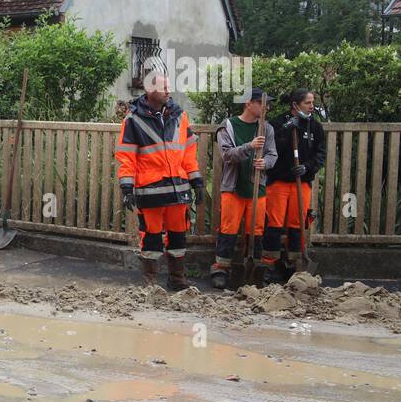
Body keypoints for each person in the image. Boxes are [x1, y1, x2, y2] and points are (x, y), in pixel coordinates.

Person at [115, 70, 203, 291]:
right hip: (151, 190)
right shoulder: (133, 119)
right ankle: (151, 282)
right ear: (149, 90)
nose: (168, 91)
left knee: (178, 237)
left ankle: (176, 278)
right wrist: (127, 187)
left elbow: (189, 152)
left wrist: (197, 181)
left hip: (177, 189)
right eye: (163, 88)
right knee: (151, 238)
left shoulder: (180, 116)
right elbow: (127, 155)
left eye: (167, 87)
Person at [211, 87, 278, 289]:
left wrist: (264, 163)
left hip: (258, 187)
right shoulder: (228, 126)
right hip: (233, 187)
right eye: (263, 103)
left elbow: (272, 154)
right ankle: (221, 268)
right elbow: (227, 155)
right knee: (228, 229)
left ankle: (256, 269)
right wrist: (249, 146)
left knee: (256, 230)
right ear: (249, 103)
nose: (267, 107)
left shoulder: (267, 128)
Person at [263, 88, 326, 279]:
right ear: (295, 105)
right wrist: (288, 129)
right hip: (279, 180)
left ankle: (294, 264)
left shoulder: (315, 127)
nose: (312, 106)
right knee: (274, 223)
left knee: (297, 223)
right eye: (308, 103)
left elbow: (320, 154)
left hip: (302, 182)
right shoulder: (277, 124)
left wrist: (307, 167)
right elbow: (273, 149)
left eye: (312, 102)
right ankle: (268, 265)